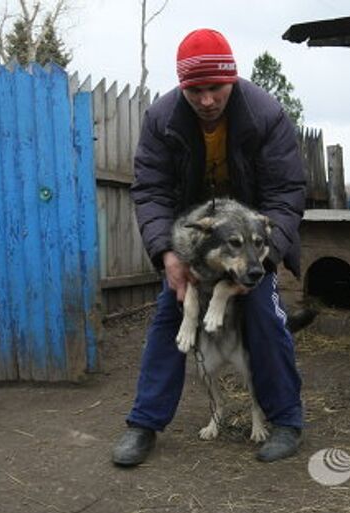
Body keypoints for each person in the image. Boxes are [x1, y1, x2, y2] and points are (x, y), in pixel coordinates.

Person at [112, 28, 306, 466]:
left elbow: (287, 193)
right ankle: (143, 424)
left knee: (263, 316)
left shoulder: (265, 115)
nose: (205, 100)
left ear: (231, 81)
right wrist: (167, 255)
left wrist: (263, 259)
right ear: (183, 87)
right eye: (194, 90)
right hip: (198, 243)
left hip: (253, 240)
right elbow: (151, 191)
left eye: (215, 88)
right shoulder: (162, 119)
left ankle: (287, 420)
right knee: (169, 313)